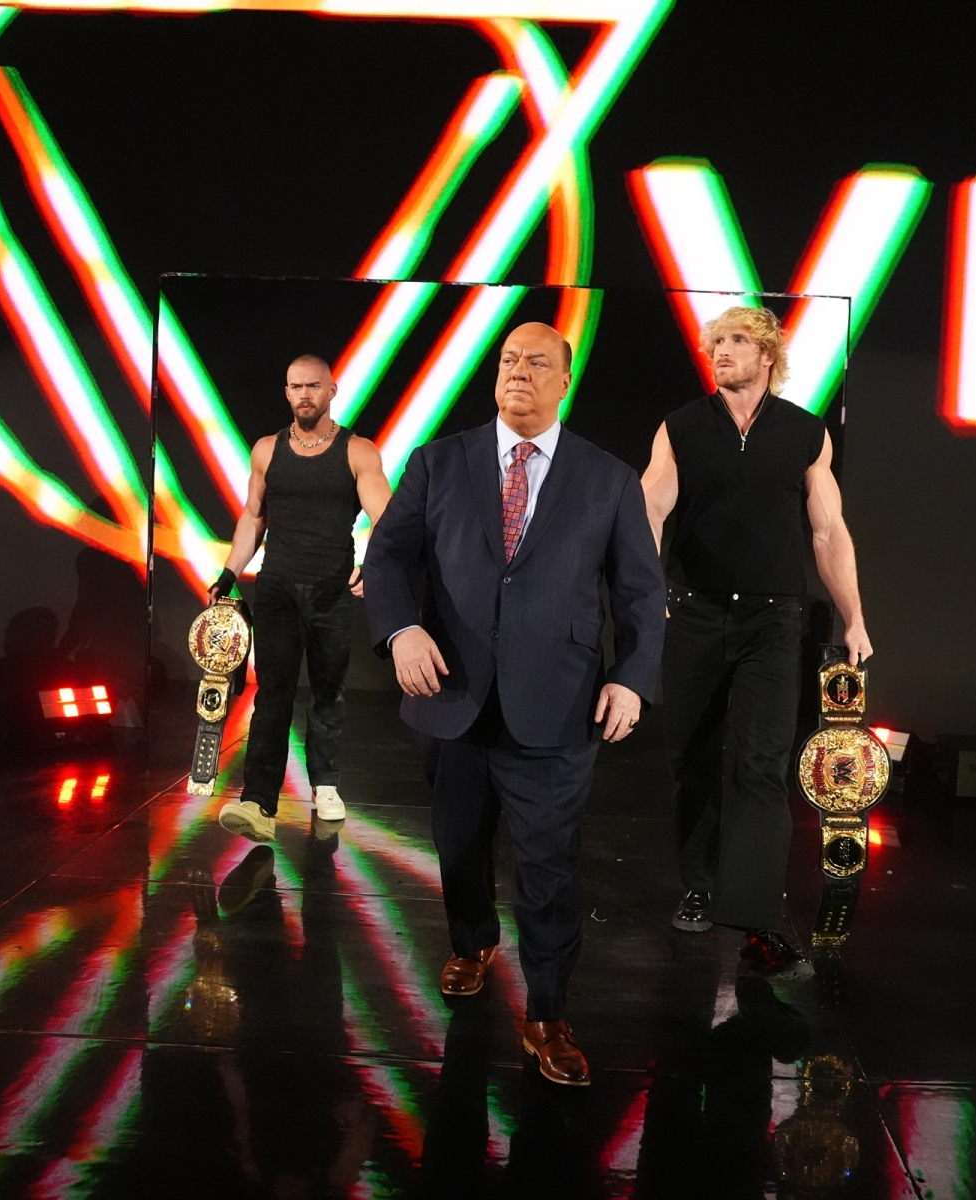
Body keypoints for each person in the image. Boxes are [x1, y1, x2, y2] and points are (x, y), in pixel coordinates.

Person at [364, 322, 665, 1086]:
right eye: (507, 360)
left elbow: (640, 590)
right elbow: (387, 555)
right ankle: (471, 942)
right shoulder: (438, 462)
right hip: (452, 696)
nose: (518, 371)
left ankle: (548, 1015)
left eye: (536, 362)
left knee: (549, 866)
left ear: (565, 380)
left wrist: (632, 677)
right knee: (458, 844)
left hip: (558, 704)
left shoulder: (608, 478)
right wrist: (400, 629)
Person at [640, 305, 873, 980]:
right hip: (694, 612)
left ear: (767, 355)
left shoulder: (804, 432)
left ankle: (758, 919)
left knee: (762, 765)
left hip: (772, 621)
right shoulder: (683, 426)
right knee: (692, 758)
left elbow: (828, 532)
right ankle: (699, 884)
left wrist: (854, 617)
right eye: (716, 341)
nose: (721, 350)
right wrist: (645, 591)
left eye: (736, 340)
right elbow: (651, 506)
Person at [209, 354, 392, 842]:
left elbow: (387, 518)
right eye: (295, 387)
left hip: (331, 589)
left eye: (313, 386)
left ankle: (325, 784)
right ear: (287, 392)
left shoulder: (358, 452)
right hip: (278, 588)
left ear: (331, 390)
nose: (304, 394)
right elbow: (253, 516)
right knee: (273, 693)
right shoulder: (267, 450)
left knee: (328, 692)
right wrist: (229, 572)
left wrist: (374, 565)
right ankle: (257, 802)